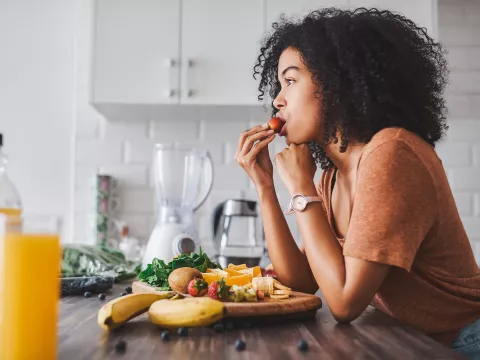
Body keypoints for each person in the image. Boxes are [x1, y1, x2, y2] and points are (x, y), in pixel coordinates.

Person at [234, 8, 480, 359]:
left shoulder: (391, 154)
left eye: (290, 80)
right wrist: (266, 188)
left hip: (463, 343)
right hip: (406, 338)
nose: (277, 99)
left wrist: (302, 188)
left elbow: (345, 302)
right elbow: (301, 282)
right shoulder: (334, 174)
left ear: (337, 83)